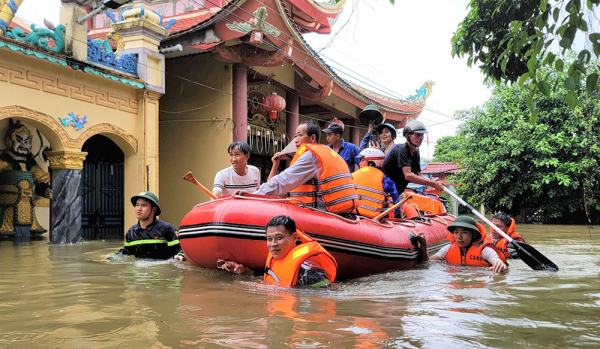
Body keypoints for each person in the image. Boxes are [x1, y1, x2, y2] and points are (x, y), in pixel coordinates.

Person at [253, 121, 359, 214]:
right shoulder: (327, 152)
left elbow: (283, 181)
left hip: (321, 214)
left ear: (312, 138)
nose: (295, 140)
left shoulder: (311, 156)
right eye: (295, 136)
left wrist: (254, 196)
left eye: (300, 135)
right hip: (338, 211)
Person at [219, 215, 337, 288]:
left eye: (279, 238)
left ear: (294, 237)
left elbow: (325, 297)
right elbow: (274, 278)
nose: (273, 244)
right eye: (269, 239)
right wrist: (244, 272)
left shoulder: (309, 272)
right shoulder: (276, 260)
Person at [416, 216, 508, 273]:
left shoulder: (485, 250)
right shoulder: (448, 248)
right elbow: (427, 262)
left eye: (464, 232)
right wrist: (423, 245)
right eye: (456, 232)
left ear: (474, 234)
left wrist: (500, 265)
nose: (459, 237)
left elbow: (496, 260)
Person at [109, 192, 184, 261]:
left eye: (144, 205)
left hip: (162, 271)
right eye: (137, 205)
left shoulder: (166, 228)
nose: (139, 209)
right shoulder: (131, 232)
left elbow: (181, 247)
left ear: (154, 209)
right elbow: (125, 252)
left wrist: (180, 255)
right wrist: (111, 259)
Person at [382, 120, 446, 195]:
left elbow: (418, 174)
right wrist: (432, 183)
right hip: (385, 192)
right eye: (417, 135)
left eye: (422, 135)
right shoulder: (401, 149)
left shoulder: (415, 152)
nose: (421, 138)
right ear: (407, 135)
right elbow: (408, 175)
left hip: (397, 193)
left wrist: (433, 181)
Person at [352, 148, 400, 218]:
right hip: (376, 218)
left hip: (353, 215)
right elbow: (395, 200)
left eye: (362, 160)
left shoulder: (353, 175)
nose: (359, 163)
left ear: (371, 163)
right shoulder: (385, 179)